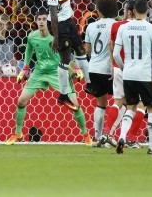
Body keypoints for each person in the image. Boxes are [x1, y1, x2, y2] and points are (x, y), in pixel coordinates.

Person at [6, 10, 92, 146]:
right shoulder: (32, 36)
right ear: (36, 21)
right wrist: (26, 68)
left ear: (49, 22)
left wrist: (76, 67)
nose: (41, 21)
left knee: (74, 105)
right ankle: (18, 133)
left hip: (58, 72)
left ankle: (85, 134)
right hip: (39, 72)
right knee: (21, 101)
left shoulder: (57, 37)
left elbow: (74, 49)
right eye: (39, 19)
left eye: (44, 19)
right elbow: (29, 49)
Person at [19, 0, 94, 111]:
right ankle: (64, 95)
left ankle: (90, 84)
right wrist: (56, 38)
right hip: (59, 25)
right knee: (65, 59)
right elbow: (52, 14)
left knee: (80, 50)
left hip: (69, 21)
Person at [113, 0, 152, 155]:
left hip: (128, 73)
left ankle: (122, 136)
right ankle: (151, 147)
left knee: (130, 107)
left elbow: (116, 54)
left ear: (133, 11)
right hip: (145, 74)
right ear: (147, 11)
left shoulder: (124, 28)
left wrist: (125, 68)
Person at [108, 1, 145, 149]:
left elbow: (111, 47)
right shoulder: (144, 26)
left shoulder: (117, 26)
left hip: (118, 67)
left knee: (118, 101)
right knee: (140, 104)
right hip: (137, 70)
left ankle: (107, 134)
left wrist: (113, 66)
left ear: (127, 11)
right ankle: (131, 137)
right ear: (135, 11)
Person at [84, 0, 117, 146]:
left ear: (99, 10)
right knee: (121, 102)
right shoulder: (117, 25)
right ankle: (110, 135)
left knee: (101, 103)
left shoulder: (91, 26)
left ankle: (98, 137)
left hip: (94, 69)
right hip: (111, 69)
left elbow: (87, 50)